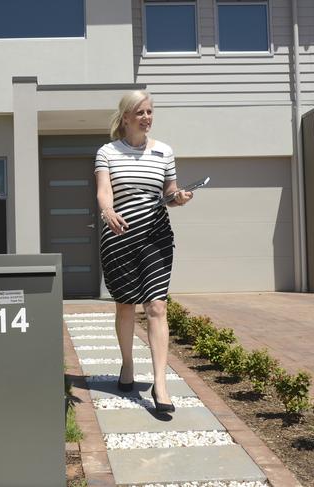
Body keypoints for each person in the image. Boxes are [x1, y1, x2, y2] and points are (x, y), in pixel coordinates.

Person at [94, 90, 193, 413]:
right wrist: (107, 212)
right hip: (119, 238)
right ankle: (127, 365)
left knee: (157, 306)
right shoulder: (107, 152)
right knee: (125, 306)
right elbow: (104, 192)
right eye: (141, 113)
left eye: (150, 112)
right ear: (126, 117)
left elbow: (169, 192)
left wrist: (179, 197)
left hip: (156, 236)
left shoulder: (164, 151)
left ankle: (160, 384)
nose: (147, 118)